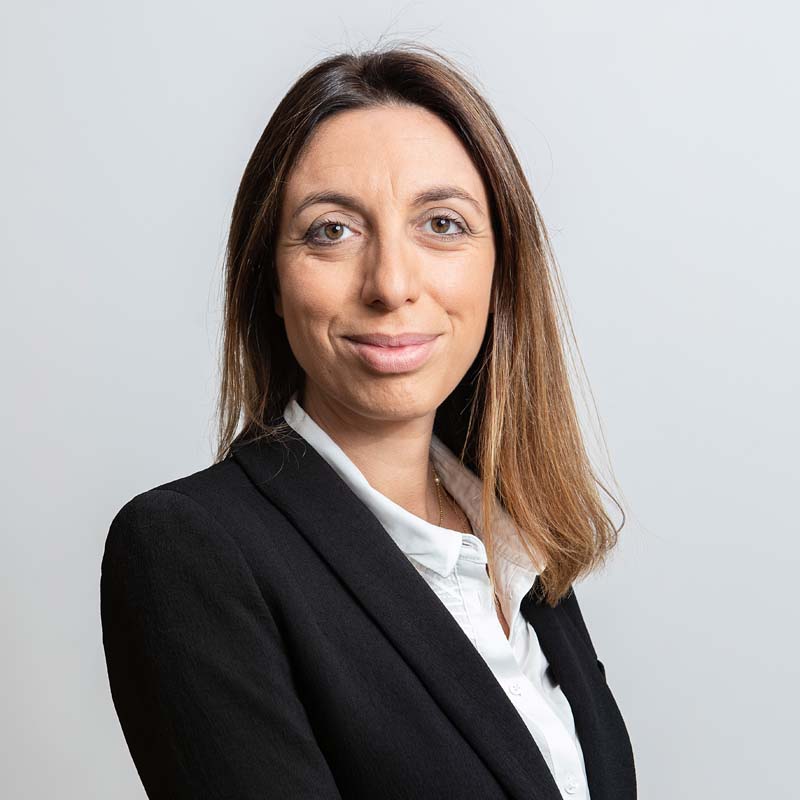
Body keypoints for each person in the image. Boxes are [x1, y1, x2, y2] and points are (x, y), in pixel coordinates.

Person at [100, 42, 637, 800]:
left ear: (501, 267)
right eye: (332, 230)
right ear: (270, 279)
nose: (390, 284)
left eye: (442, 223)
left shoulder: (517, 542)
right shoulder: (191, 551)